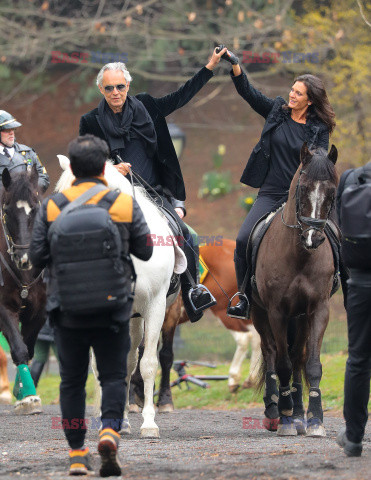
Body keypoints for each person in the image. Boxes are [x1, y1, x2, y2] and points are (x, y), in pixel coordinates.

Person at [30, 135, 153, 477]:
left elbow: (37, 258)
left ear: (70, 167)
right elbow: (145, 251)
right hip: (113, 308)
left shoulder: (52, 206)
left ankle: (76, 453)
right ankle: (110, 430)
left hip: (66, 309)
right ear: (103, 167)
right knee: (113, 375)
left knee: (71, 381)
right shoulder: (123, 203)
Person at [78, 48, 227, 323]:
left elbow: (181, 96)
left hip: (156, 195)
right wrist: (109, 169)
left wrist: (210, 66)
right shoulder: (90, 122)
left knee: (190, 236)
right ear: (101, 88)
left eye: (120, 86)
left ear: (128, 85)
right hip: (113, 196)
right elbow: (84, 164)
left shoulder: (146, 105)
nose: (115, 92)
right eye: (109, 87)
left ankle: (193, 290)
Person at [220, 50, 336, 319]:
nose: (292, 95)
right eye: (292, 90)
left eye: (298, 93)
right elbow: (249, 93)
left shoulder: (319, 129)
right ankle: (244, 297)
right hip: (271, 193)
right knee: (242, 239)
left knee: (334, 238)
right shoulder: (277, 112)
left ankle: (338, 278)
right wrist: (236, 65)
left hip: (306, 199)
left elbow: (319, 165)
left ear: (310, 101)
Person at [336, 162, 371, 457]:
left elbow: (341, 232)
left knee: (358, 359)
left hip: (360, 282)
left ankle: (354, 437)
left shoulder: (351, 177)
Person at [0, 110, 49, 192]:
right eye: (7, 130)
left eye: (12, 129)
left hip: (30, 202)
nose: (11, 133)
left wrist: (31, 190)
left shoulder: (28, 152)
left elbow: (43, 176)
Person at [30, 317, 58, 388]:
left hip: (38, 326)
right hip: (56, 327)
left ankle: (30, 392)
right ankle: (67, 395)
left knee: (39, 358)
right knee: (64, 360)